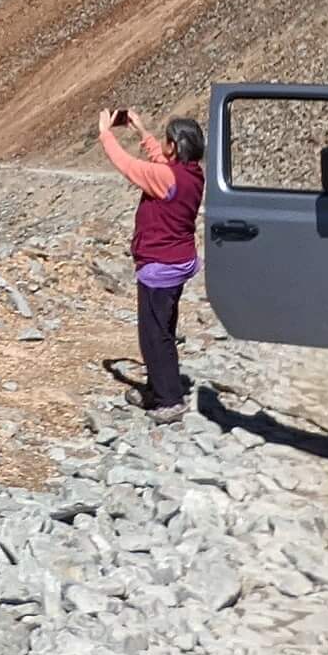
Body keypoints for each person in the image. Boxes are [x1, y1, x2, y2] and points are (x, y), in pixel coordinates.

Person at [96, 107, 206, 423]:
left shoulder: (165, 176)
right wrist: (142, 132)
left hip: (160, 265)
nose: (164, 146)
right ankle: (158, 389)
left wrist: (106, 133)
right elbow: (161, 162)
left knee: (154, 335)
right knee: (164, 330)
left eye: (167, 141)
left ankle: (170, 400)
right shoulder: (191, 173)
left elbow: (128, 166)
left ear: (177, 146)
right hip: (179, 260)